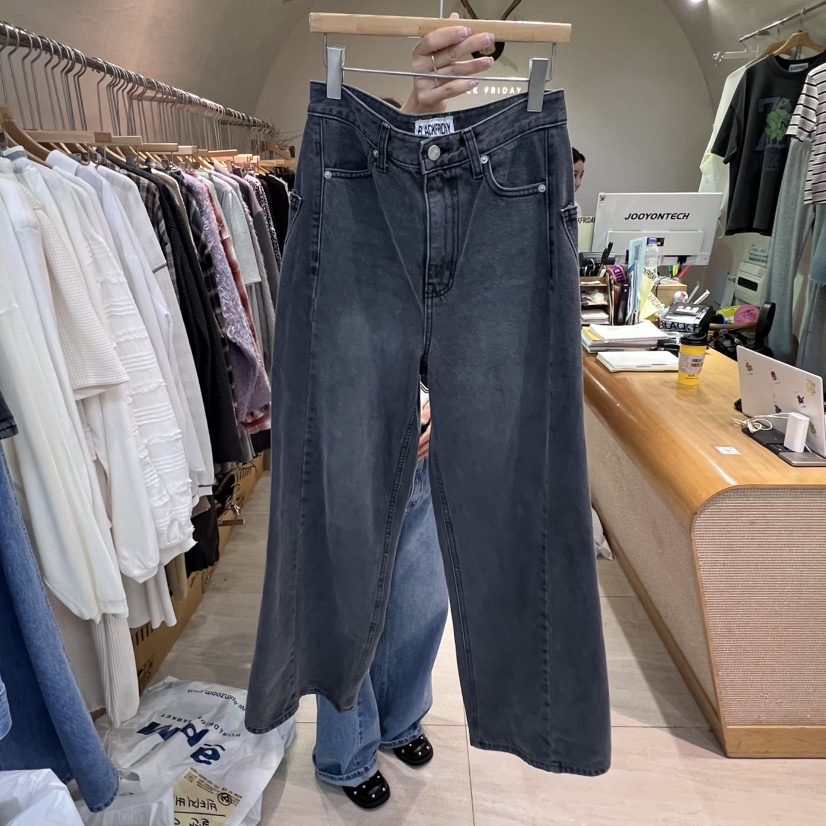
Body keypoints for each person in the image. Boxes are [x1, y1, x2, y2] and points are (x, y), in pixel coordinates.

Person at [311, 16, 495, 811]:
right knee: (354, 600)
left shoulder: (455, 202)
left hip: (434, 435)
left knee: (421, 597)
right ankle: (346, 753)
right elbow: (334, 323)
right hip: (359, 427)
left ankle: (400, 718)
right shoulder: (336, 199)